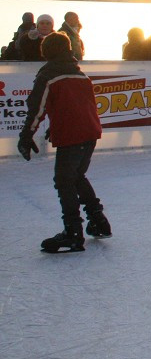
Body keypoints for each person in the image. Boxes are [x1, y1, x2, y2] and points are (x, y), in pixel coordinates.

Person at [17, 32, 111, 253]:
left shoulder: (48, 75)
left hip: (73, 136)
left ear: (46, 52)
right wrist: (55, 125)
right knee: (76, 177)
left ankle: (73, 233)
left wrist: (25, 136)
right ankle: (98, 221)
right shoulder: (81, 75)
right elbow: (80, 106)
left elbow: (36, 109)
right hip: (89, 134)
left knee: (64, 181)